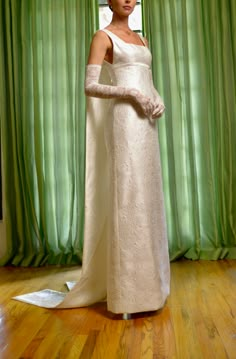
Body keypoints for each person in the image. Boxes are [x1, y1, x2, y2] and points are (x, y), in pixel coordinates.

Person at [13, 0, 170, 319]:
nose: (129, 1)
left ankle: (151, 289)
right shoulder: (102, 36)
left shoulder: (142, 40)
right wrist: (131, 94)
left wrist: (156, 97)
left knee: (148, 198)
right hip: (125, 121)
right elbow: (90, 86)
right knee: (129, 197)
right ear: (110, 0)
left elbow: (147, 79)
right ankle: (129, 295)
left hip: (147, 124)